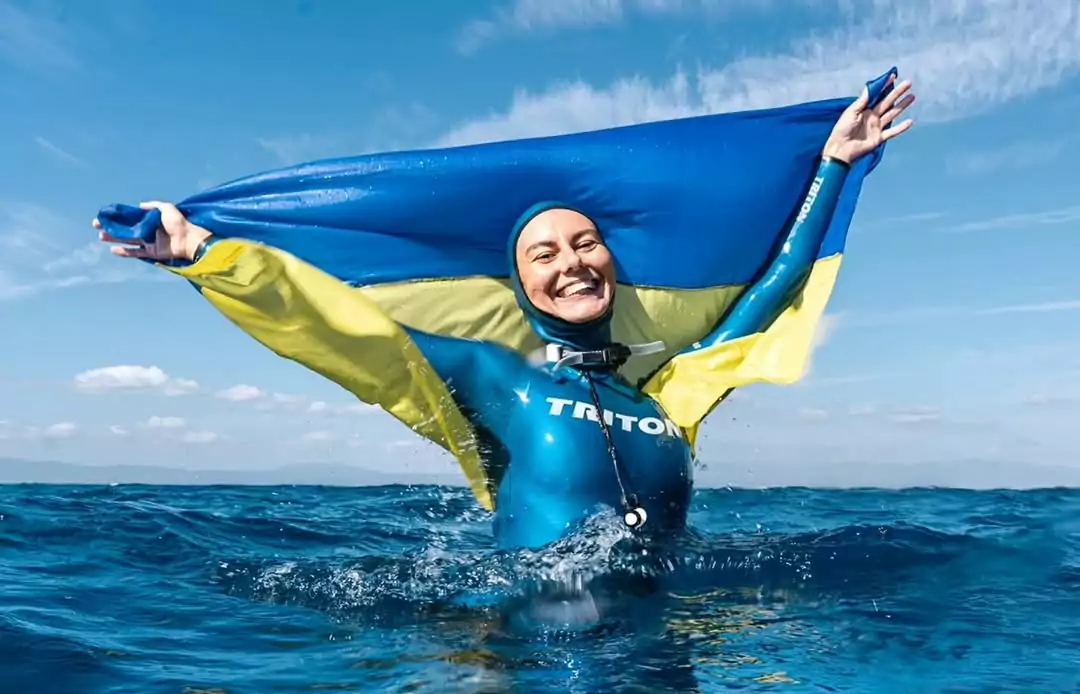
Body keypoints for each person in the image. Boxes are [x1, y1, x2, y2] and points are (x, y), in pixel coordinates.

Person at [94, 77, 915, 552]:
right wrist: (205, 253)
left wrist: (834, 169)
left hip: (666, 657)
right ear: (523, 287)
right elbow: (338, 324)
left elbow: (771, 288)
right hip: (532, 666)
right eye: (546, 255)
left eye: (586, 243)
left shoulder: (672, 395)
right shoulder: (494, 377)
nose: (573, 262)